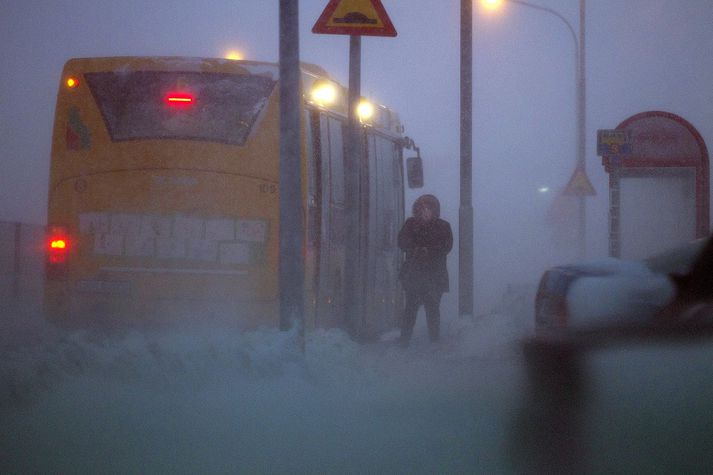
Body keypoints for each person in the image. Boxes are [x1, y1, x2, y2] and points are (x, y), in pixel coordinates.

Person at [397, 194, 453, 346]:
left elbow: (447, 246)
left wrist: (429, 251)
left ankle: (434, 341)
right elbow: (401, 241)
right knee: (410, 309)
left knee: (432, 309)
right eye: (421, 208)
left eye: (428, 208)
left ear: (435, 210)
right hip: (414, 274)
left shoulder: (443, 226)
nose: (425, 211)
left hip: (434, 276)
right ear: (417, 210)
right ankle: (404, 341)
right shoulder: (410, 224)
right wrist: (415, 248)